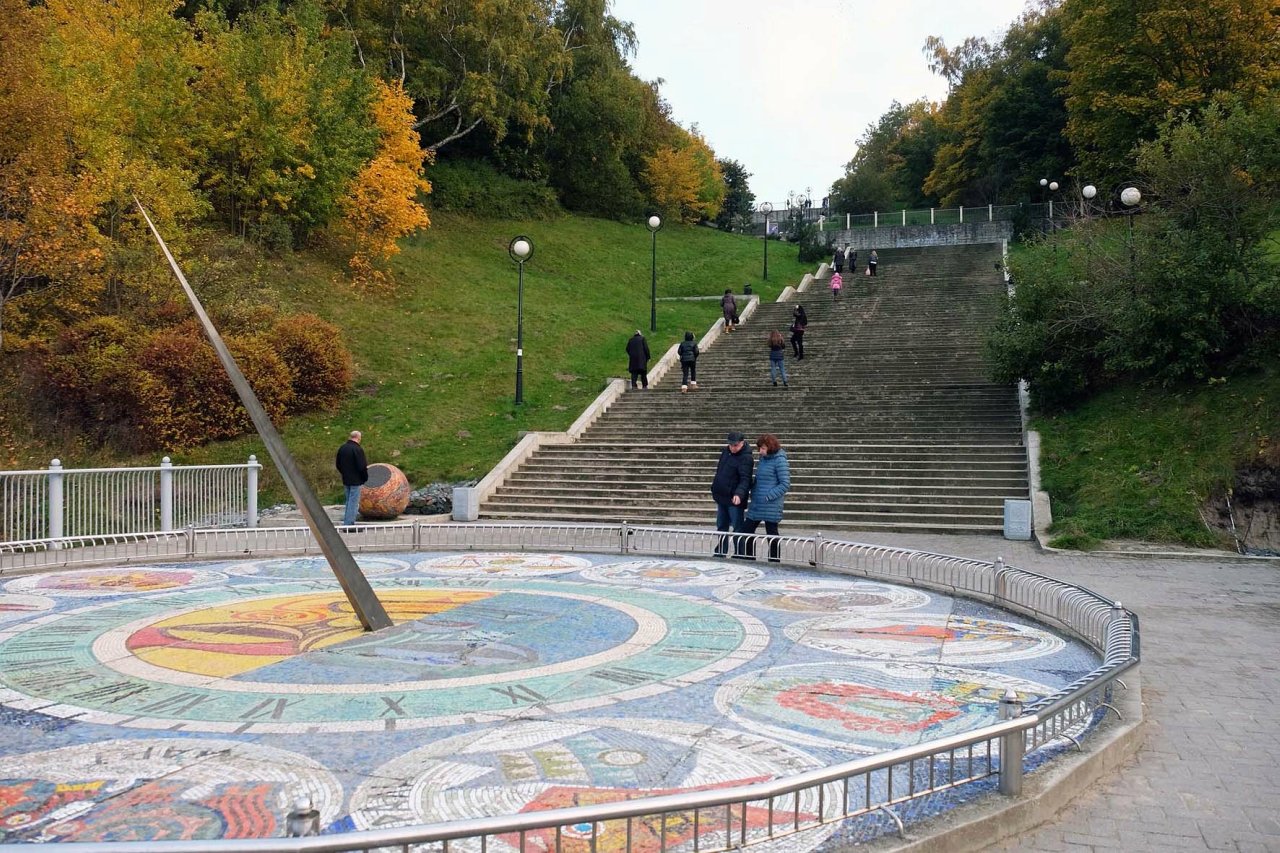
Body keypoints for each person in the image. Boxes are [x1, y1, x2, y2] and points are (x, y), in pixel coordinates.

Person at [740, 433, 791, 562]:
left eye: (763, 448)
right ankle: (749, 559)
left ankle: (774, 562)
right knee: (747, 530)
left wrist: (769, 496)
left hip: (771, 504)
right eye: (760, 448)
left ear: (770, 447)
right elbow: (760, 479)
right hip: (757, 502)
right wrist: (752, 486)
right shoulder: (763, 459)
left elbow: (785, 483)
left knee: (772, 534)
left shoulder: (780, 460)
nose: (760, 451)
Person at [710, 431, 753, 558]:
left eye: (735, 445)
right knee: (721, 526)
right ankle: (721, 551)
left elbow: (745, 479)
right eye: (731, 445)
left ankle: (739, 554)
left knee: (737, 527)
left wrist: (739, 493)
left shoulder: (746, 458)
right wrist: (715, 487)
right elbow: (720, 470)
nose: (733, 448)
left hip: (735, 497)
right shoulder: (726, 452)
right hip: (722, 494)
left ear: (742, 443)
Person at [335, 430, 368, 526]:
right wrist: (364, 477)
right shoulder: (357, 449)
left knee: (348, 501)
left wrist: (344, 473)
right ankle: (349, 524)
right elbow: (362, 466)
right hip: (356, 480)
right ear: (358, 438)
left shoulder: (342, 448)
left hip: (346, 479)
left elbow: (338, 464)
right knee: (353, 503)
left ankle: (347, 521)